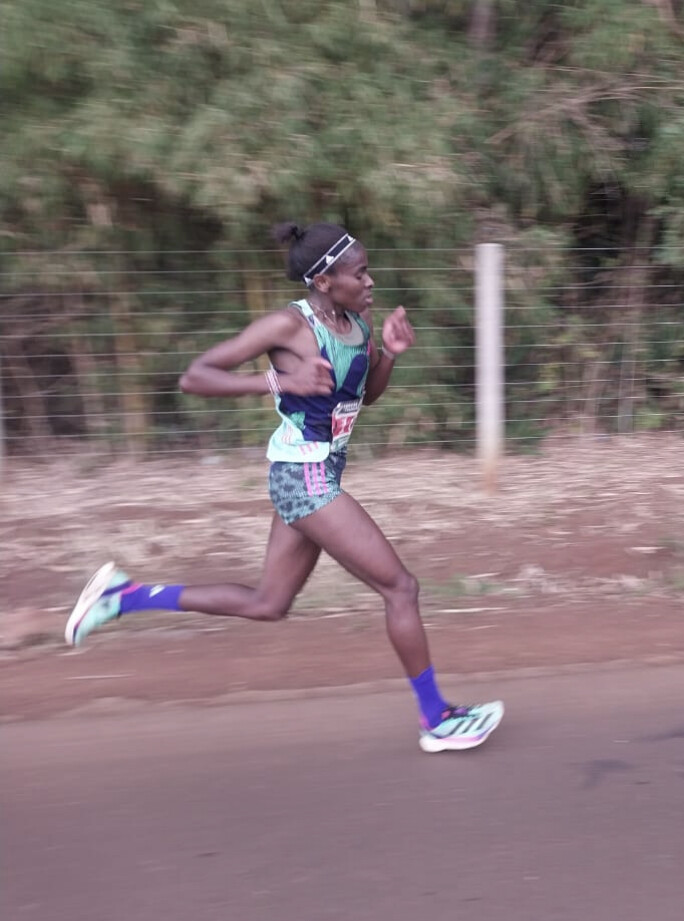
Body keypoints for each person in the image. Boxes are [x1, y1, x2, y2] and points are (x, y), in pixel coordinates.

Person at [65, 221, 504, 754]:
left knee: (269, 603)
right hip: (303, 476)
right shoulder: (287, 326)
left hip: (322, 471)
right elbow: (195, 377)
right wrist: (280, 381)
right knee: (401, 589)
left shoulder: (357, 321)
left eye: (368, 271)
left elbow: (364, 397)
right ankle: (436, 718)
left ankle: (125, 596)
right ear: (323, 280)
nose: (370, 281)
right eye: (360, 273)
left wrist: (388, 353)